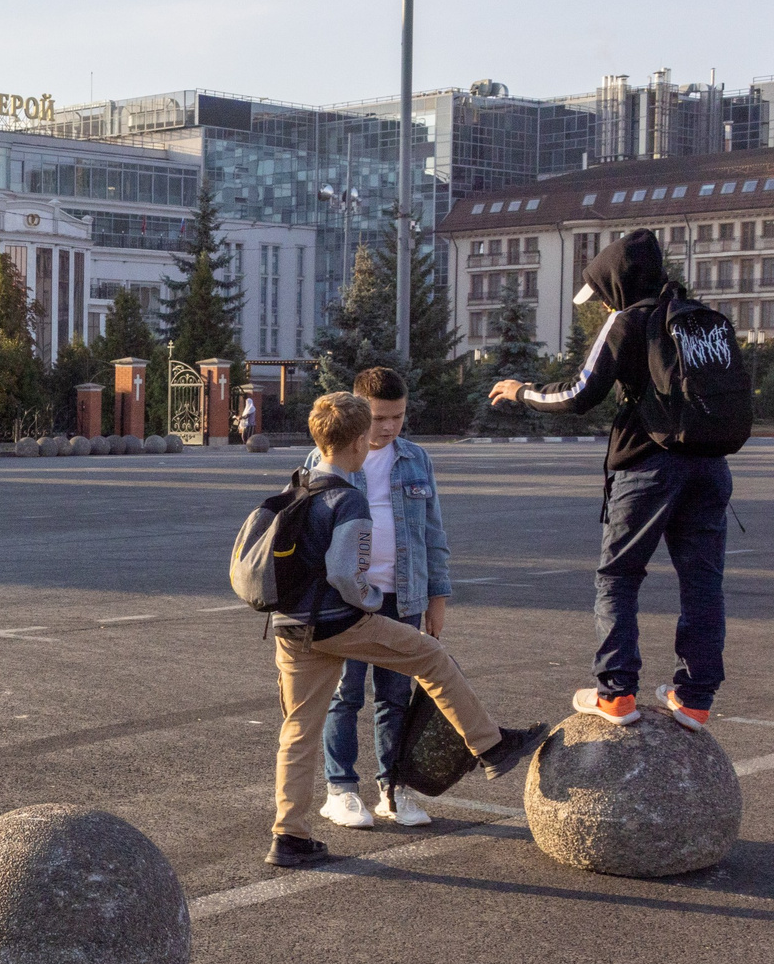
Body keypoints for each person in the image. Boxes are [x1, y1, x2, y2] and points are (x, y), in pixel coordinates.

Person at [268, 391, 546, 869]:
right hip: (338, 622)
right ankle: (491, 746)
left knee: (298, 730)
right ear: (358, 442)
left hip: (290, 626)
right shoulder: (348, 498)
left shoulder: (300, 483)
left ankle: (289, 837)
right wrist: (371, 603)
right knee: (431, 658)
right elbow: (344, 573)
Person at [489, 228, 728, 731]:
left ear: (617, 284)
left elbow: (579, 393)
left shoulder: (628, 320)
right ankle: (695, 697)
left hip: (647, 466)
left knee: (618, 577)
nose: (599, 307)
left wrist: (521, 392)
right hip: (710, 465)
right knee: (702, 582)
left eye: (600, 296)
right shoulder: (698, 318)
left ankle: (616, 694)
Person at [301, 366, 452, 831]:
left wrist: (437, 596)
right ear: (359, 414)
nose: (388, 428)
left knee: (395, 696)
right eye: (380, 418)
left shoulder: (415, 459)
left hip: (403, 594)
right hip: (346, 599)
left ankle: (393, 789)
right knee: (345, 696)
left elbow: (432, 531)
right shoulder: (325, 457)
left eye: (398, 417)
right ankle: (341, 790)